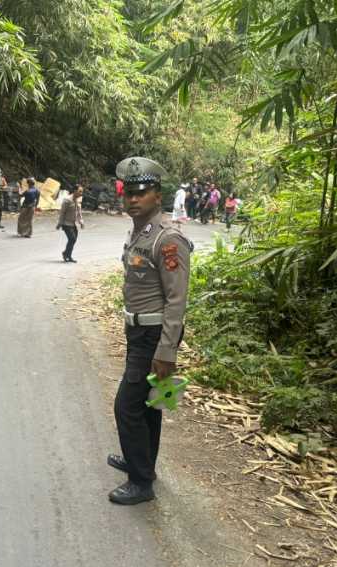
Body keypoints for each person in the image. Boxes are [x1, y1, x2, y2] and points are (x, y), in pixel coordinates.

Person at [108, 156, 193, 505]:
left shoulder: (168, 239)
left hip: (154, 336)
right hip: (138, 332)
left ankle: (141, 482)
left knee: (126, 406)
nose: (132, 199)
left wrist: (166, 351)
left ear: (158, 196)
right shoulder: (140, 231)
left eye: (140, 193)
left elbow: (177, 299)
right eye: (128, 193)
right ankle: (141, 460)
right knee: (147, 404)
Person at [56, 184, 84, 262]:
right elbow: (62, 213)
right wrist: (59, 223)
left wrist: (81, 222)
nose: (81, 193)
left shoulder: (78, 200)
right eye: (80, 191)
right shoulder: (67, 200)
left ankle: (69, 255)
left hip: (74, 223)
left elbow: (79, 212)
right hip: (66, 223)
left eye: (82, 191)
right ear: (75, 191)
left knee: (73, 240)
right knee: (72, 238)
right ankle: (66, 254)